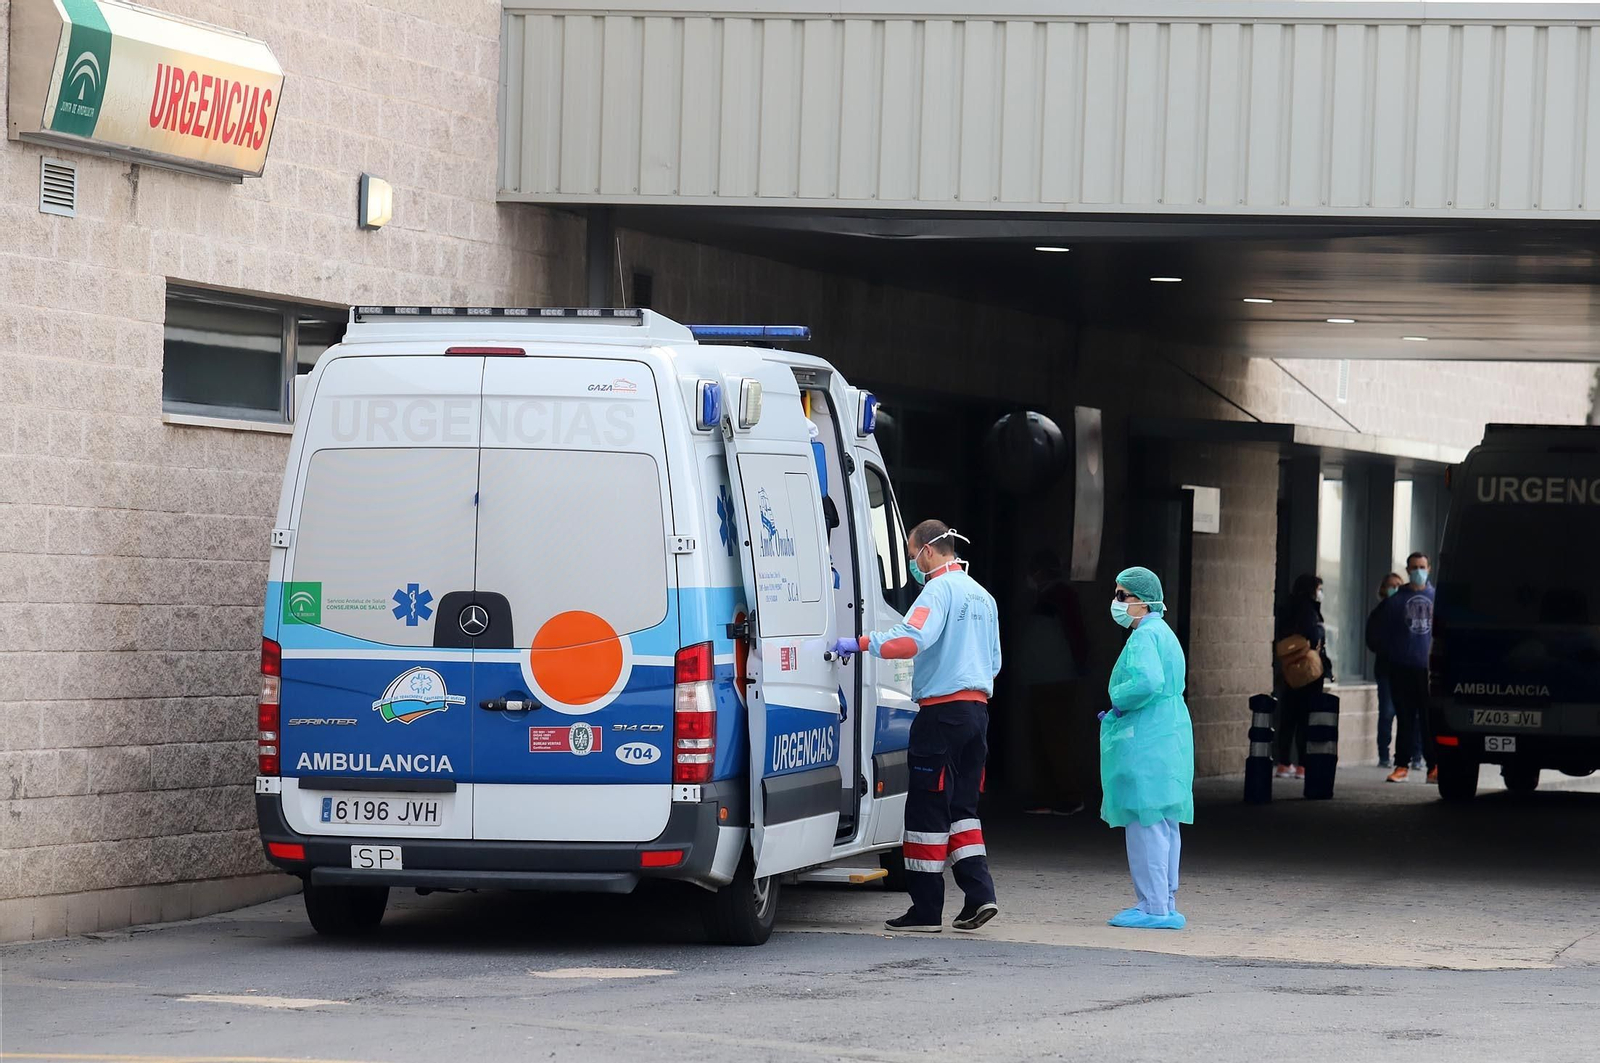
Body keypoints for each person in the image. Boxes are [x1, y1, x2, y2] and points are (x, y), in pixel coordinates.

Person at [832, 520, 1002, 934]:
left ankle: (926, 911)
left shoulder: (938, 590)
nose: (913, 564)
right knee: (962, 810)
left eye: (912, 555)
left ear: (927, 550)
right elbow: (994, 662)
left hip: (941, 716)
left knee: (927, 808)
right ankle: (980, 896)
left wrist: (862, 643)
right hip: (977, 713)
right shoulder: (983, 596)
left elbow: (912, 639)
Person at [1100, 566, 1194, 931]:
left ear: (1142, 601)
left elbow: (1147, 680)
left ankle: (1154, 906)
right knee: (1165, 822)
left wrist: (1118, 702)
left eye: (1123, 596)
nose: (1117, 602)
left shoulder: (1143, 637)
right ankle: (1164, 901)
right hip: (1168, 733)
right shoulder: (1163, 633)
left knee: (1145, 822)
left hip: (1148, 736)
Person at [1018, 550, 1091, 816]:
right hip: (1042, 678)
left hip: (1056, 679)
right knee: (1041, 738)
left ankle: (1068, 796)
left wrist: (1080, 666)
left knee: (1056, 739)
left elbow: (1075, 632)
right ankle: (1047, 795)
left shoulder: (1062, 596)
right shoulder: (1046, 597)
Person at [1378, 553, 1436, 783]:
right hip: (1402, 667)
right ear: (1407, 569)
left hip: (1428, 669)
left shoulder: (1436, 598)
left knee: (1429, 719)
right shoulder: (1395, 601)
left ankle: (1434, 766)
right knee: (1405, 718)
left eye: (1422, 567)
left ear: (1429, 569)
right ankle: (1402, 765)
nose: (1418, 571)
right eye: (1414, 567)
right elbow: (1382, 634)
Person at [1273, 574, 1330, 780]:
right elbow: (1313, 636)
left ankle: (1283, 762)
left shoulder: (1286, 606)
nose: (1320, 593)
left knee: (1288, 717)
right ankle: (1302, 766)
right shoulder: (1308, 609)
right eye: (1319, 588)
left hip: (1289, 669)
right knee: (1306, 718)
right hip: (1308, 670)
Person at [1367, 573, 1405, 767]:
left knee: (1409, 715)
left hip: (1406, 670)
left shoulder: (1408, 610)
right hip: (1386, 670)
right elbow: (1372, 641)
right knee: (1387, 713)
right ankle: (1384, 755)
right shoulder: (1378, 614)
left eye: (1399, 585)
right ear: (1383, 589)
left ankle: (1411, 756)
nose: (1396, 588)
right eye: (1392, 585)